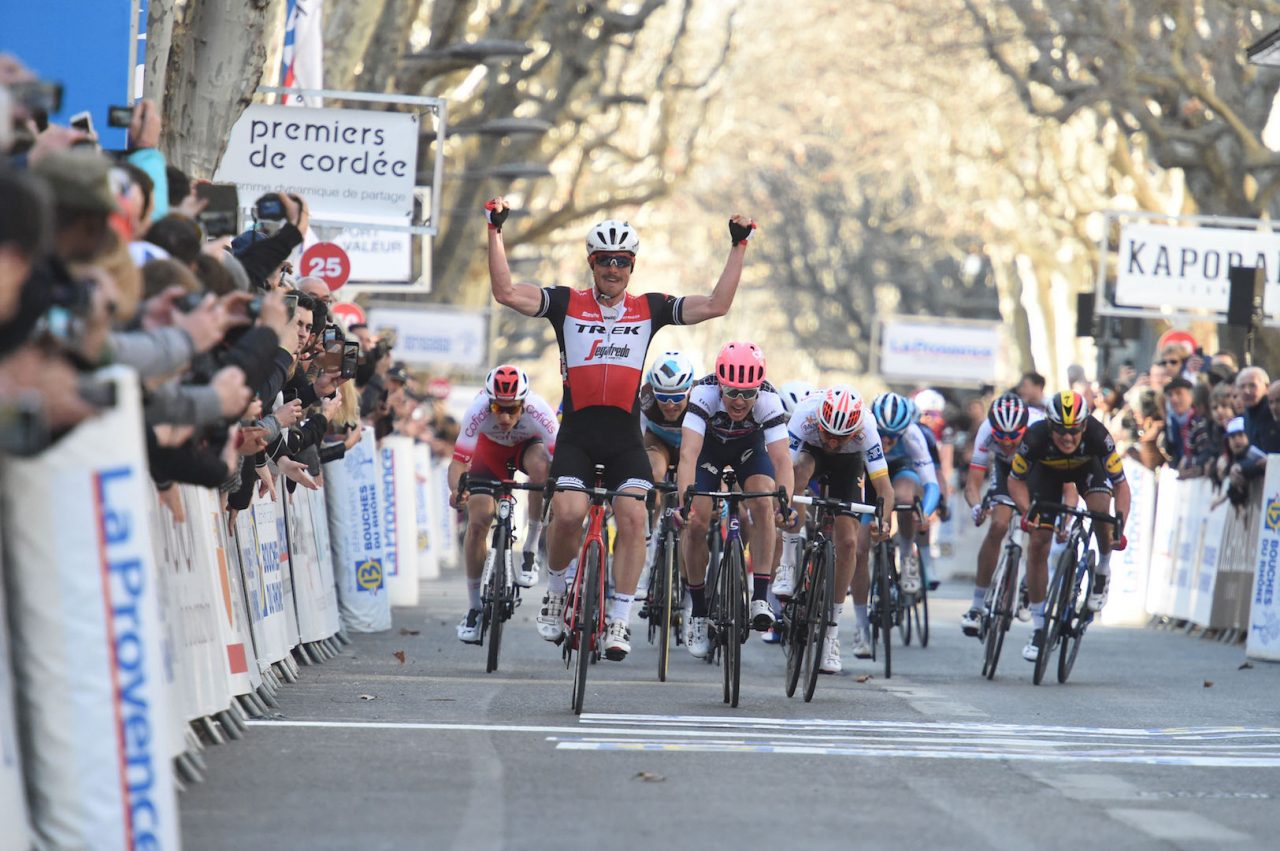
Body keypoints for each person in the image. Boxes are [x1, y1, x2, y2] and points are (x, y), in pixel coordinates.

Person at [485, 197, 755, 661]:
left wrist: (739, 245)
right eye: (606, 261)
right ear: (592, 263)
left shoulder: (648, 309)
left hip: (625, 434)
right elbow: (507, 292)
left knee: (633, 517)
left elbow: (716, 305)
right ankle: (554, 591)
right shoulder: (566, 303)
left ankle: (619, 619)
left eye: (623, 262)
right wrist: (495, 231)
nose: (614, 268)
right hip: (579, 433)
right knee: (568, 513)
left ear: (632, 266)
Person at [676, 342, 796, 658]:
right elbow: (688, 453)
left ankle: (760, 595)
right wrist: (683, 503)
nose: (739, 401)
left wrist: (785, 504)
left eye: (747, 393)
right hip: (709, 451)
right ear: (720, 384)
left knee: (764, 503)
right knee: (697, 521)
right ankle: (699, 612)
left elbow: (782, 460)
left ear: (758, 389)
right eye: (731, 392)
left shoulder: (770, 399)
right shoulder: (703, 393)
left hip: (748, 451)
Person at [1008, 391, 1131, 663]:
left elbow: (1121, 485)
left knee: (1101, 510)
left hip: (1088, 469)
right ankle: (1039, 629)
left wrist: (1119, 522)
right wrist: (1026, 511)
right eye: (1061, 431)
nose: (1068, 437)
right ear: (1050, 426)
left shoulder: (1099, 436)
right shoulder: (1035, 438)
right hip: (1047, 475)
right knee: (1039, 542)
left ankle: (1102, 570)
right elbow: (1015, 480)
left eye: (1074, 431)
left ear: (1084, 426)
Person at [778, 385, 893, 672]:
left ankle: (831, 632)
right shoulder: (805, 414)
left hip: (849, 465)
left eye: (841, 437)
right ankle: (789, 562)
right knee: (798, 473)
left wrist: (884, 520)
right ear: (819, 421)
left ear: (855, 430)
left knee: (849, 544)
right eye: (828, 433)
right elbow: (783, 470)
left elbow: (884, 488)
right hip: (808, 455)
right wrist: (782, 507)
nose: (832, 442)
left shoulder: (867, 428)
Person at [448, 365, 557, 644]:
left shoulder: (539, 409)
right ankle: (473, 608)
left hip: (526, 448)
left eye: (513, 409)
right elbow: (459, 461)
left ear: (525, 403)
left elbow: (559, 455)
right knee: (478, 521)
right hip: (490, 454)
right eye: (498, 408)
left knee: (541, 468)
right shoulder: (477, 410)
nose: (506, 417)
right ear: (489, 402)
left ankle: (531, 548)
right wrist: (457, 490)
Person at [960, 393, 1040, 635]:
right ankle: (976, 606)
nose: (1007, 445)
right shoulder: (985, 431)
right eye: (1001, 439)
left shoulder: (1040, 428)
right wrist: (976, 507)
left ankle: (1029, 585)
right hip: (1006, 471)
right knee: (998, 527)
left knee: (1039, 528)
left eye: (1013, 439)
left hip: (1037, 470)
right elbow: (973, 484)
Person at [636, 350, 696, 599]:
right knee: (653, 473)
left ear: (690, 391)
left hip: (689, 444)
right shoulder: (645, 397)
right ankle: (646, 554)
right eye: (663, 397)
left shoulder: (701, 399)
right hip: (658, 441)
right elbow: (636, 438)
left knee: (695, 497)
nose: (670, 405)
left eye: (678, 398)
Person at [867, 391, 941, 596]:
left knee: (906, 498)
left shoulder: (912, 433)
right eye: (882, 434)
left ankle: (907, 553)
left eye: (893, 436)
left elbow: (931, 483)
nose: (886, 441)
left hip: (902, 469)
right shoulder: (864, 427)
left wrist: (924, 513)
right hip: (871, 471)